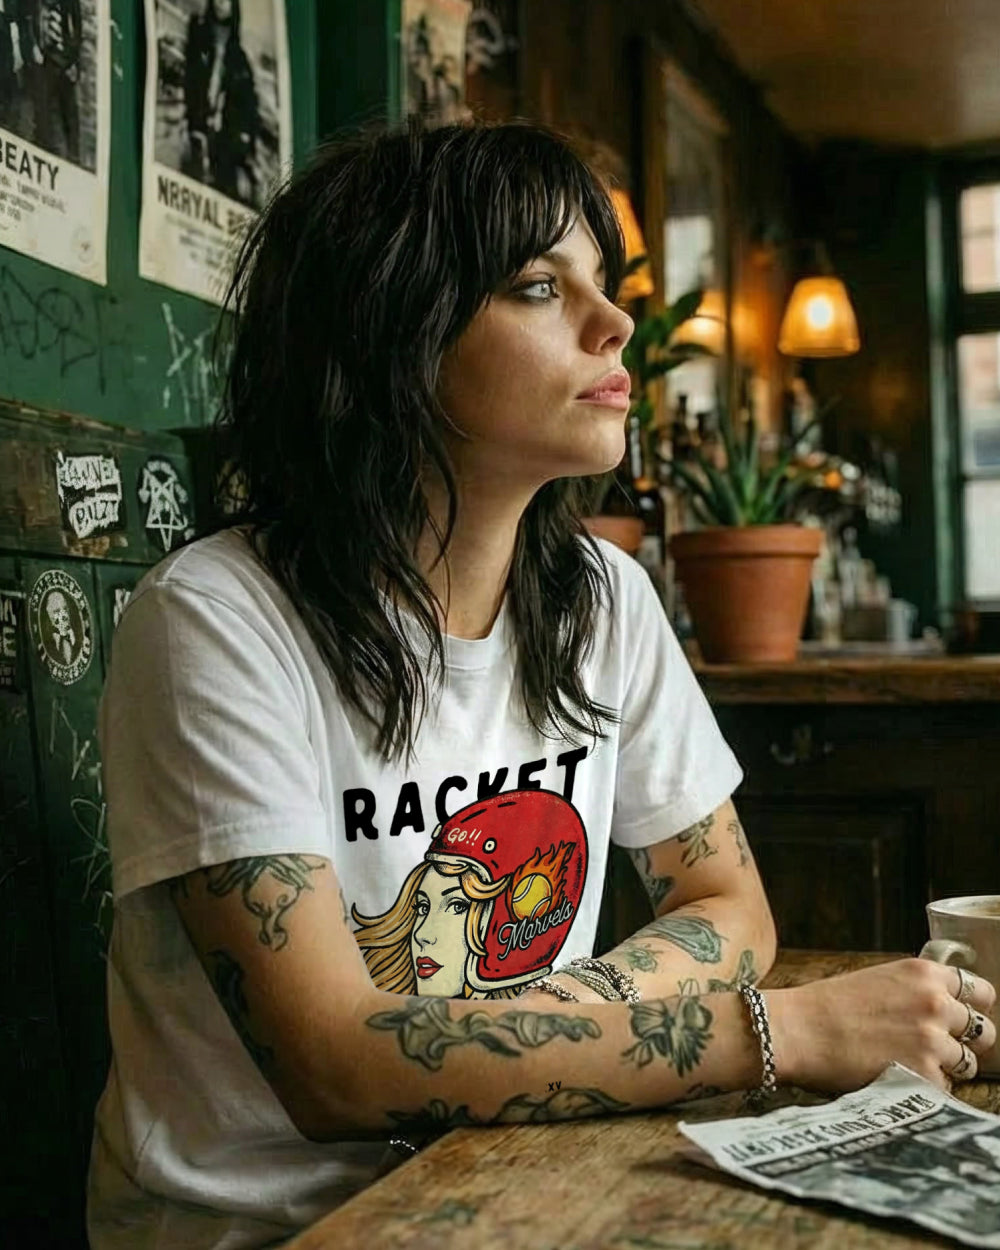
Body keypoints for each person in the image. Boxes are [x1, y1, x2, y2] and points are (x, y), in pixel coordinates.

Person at [86, 118, 997, 1250]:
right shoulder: (218, 620)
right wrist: (780, 1032)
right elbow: (334, 1063)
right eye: (534, 285)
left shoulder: (602, 596)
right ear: (391, 335)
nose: (613, 321)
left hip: (528, 1163)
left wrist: (484, 1023)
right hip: (279, 1226)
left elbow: (728, 902)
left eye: (599, 282)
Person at [182, 0, 259, 206]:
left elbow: (247, 105)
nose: (220, 4)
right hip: (197, 124)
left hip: (224, 140)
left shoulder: (239, 58)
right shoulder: (199, 35)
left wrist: (242, 144)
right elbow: (190, 79)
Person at [22, 0, 81, 163]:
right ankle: (43, 150)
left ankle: (74, 155)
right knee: (42, 109)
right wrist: (34, 46)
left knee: (69, 110)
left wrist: (74, 61)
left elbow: (77, 30)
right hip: (44, 58)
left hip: (65, 59)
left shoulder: (71, 3)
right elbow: (29, 20)